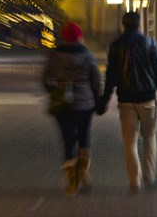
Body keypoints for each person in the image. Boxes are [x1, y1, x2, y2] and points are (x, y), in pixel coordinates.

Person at [96, 12, 157, 193]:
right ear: (139, 25)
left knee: (130, 142)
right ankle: (149, 179)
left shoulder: (115, 47)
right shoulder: (151, 44)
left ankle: (134, 181)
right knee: (150, 138)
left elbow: (111, 77)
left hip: (126, 101)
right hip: (147, 100)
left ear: (123, 25)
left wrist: (103, 101)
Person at [43, 22, 101, 196]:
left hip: (62, 105)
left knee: (68, 141)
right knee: (84, 138)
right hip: (85, 104)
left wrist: (55, 92)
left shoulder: (54, 56)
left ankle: (72, 181)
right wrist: (97, 99)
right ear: (80, 37)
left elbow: (45, 79)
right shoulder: (87, 55)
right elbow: (95, 80)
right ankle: (82, 173)